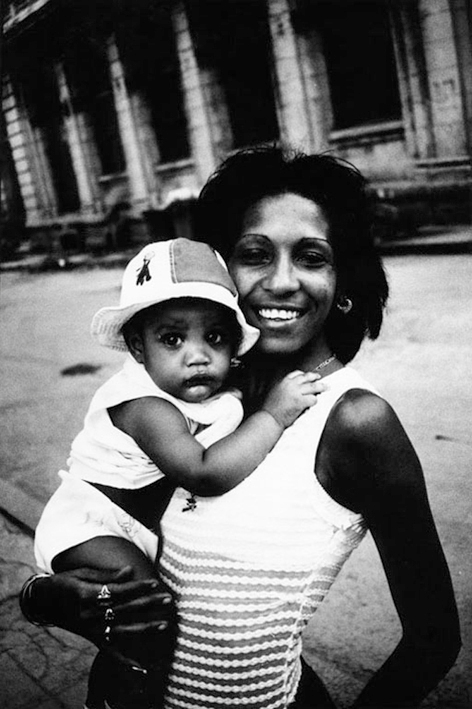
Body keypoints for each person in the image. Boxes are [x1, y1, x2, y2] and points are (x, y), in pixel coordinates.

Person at [20, 145, 461, 709]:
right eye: (255, 255)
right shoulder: (192, 393)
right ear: (219, 271)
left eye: (312, 257)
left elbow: (433, 639)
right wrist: (43, 598)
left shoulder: (354, 421)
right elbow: (103, 534)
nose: (282, 281)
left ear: (343, 280)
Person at [31, 237, 322, 706]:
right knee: (147, 610)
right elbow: (204, 473)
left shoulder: (196, 389)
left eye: (215, 337)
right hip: (91, 524)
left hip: (131, 525)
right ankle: (127, 692)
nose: (197, 355)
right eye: (172, 339)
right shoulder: (144, 406)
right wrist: (274, 414)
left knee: (147, 614)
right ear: (137, 347)